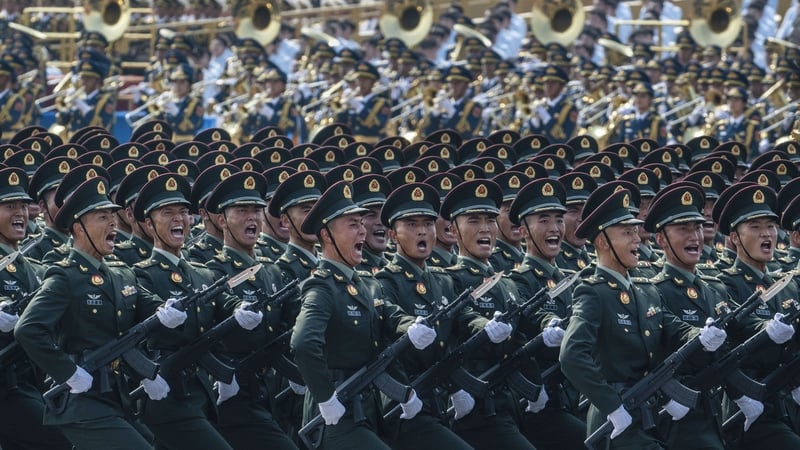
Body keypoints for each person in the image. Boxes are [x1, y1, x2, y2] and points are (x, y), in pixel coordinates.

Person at [14, 173, 175, 449]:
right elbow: (28, 329)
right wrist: (68, 372)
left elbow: (150, 312)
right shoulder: (65, 277)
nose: (113, 222)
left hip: (115, 396)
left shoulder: (121, 275)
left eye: (112, 215)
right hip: (81, 403)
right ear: (78, 227)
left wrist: (170, 311)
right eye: (101, 217)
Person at [560, 186, 727, 449]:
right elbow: (571, 356)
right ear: (603, 242)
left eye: (635, 231)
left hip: (646, 411)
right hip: (616, 420)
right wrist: (611, 406)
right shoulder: (593, 292)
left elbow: (673, 329)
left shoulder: (645, 290)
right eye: (627, 232)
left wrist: (702, 335)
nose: (637, 239)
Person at [291, 180, 432, 449]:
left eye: (361, 223)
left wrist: (411, 325)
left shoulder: (364, 282)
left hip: (365, 409)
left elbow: (390, 316)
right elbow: (303, 343)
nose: (362, 231)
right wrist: (325, 397)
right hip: (334, 416)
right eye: (352, 225)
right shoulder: (322, 286)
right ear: (326, 235)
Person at [132, 172, 262, 450]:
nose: (179, 219)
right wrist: (146, 375)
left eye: (183, 212)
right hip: (166, 393)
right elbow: (131, 328)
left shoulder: (201, 274)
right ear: (149, 224)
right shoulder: (142, 275)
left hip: (201, 389)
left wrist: (241, 308)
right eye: (167, 213)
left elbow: (223, 304)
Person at [375, 182, 489, 450]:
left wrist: (487, 325)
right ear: (393, 234)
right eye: (412, 225)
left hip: (437, 400)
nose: (422, 231)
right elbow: (385, 337)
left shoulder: (442, 280)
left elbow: (464, 318)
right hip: (403, 405)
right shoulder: (384, 282)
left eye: (427, 224)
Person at [204, 171, 300, 450]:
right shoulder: (214, 271)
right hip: (232, 391)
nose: (253, 218)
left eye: (257, 210)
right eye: (242, 211)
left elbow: (292, 322)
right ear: (222, 220)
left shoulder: (272, 271)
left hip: (270, 388)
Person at [439, 179, 536, 450]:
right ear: (453, 230)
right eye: (473, 220)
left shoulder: (507, 283)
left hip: (508, 402)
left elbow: (523, 337)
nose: (485, 228)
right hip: (475, 408)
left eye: (490, 220)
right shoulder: (450, 281)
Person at [715, 183, 800, 448]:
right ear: (734, 238)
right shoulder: (724, 284)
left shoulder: (787, 284)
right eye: (755, 227)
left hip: (786, 400)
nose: (767, 234)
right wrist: (767, 327)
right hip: (748, 405)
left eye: (770, 226)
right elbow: (731, 331)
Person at [508, 178, 587, 450]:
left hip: (575, 396)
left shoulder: (572, 281)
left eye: (559, 219)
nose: (554, 228)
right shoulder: (519, 281)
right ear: (523, 231)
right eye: (543, 220)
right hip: (541, 404)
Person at [0, 167, 71, 450]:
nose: (20, 213)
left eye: (21, 205)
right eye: (8, 206)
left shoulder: (31, 265)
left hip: (32, 380)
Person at [269, 171, 327, 284]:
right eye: (306, 211)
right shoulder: (284, 270)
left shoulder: (326, 260)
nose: (313, 217)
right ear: (285, 220)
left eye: (317, 209)